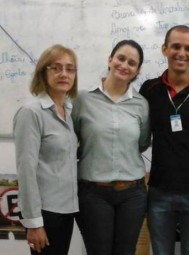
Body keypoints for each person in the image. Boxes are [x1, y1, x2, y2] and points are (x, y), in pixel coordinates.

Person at [139, 25, 189, 255]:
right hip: (158, 192)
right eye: (175, 46)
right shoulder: (149, 90)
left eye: (188, 48)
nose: (181, 53)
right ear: (164, 49)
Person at [71, 40, 150, 255]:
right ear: (110, 59)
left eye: (132, 63)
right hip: (94, 193)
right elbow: (74, 141)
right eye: (121, 58)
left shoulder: (141, 104)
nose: (125, 65)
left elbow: (142, 143)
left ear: (137, 70)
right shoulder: (83, 100)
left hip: (132, 194)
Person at [13, 44, 79, 255]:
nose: (64, 74)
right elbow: (26, 170)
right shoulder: (31, 112)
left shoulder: (67, 109)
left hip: (66, 210)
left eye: (70, 69)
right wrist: (33, 223)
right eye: (56, 67)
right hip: (45, 212)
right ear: (43, 71)